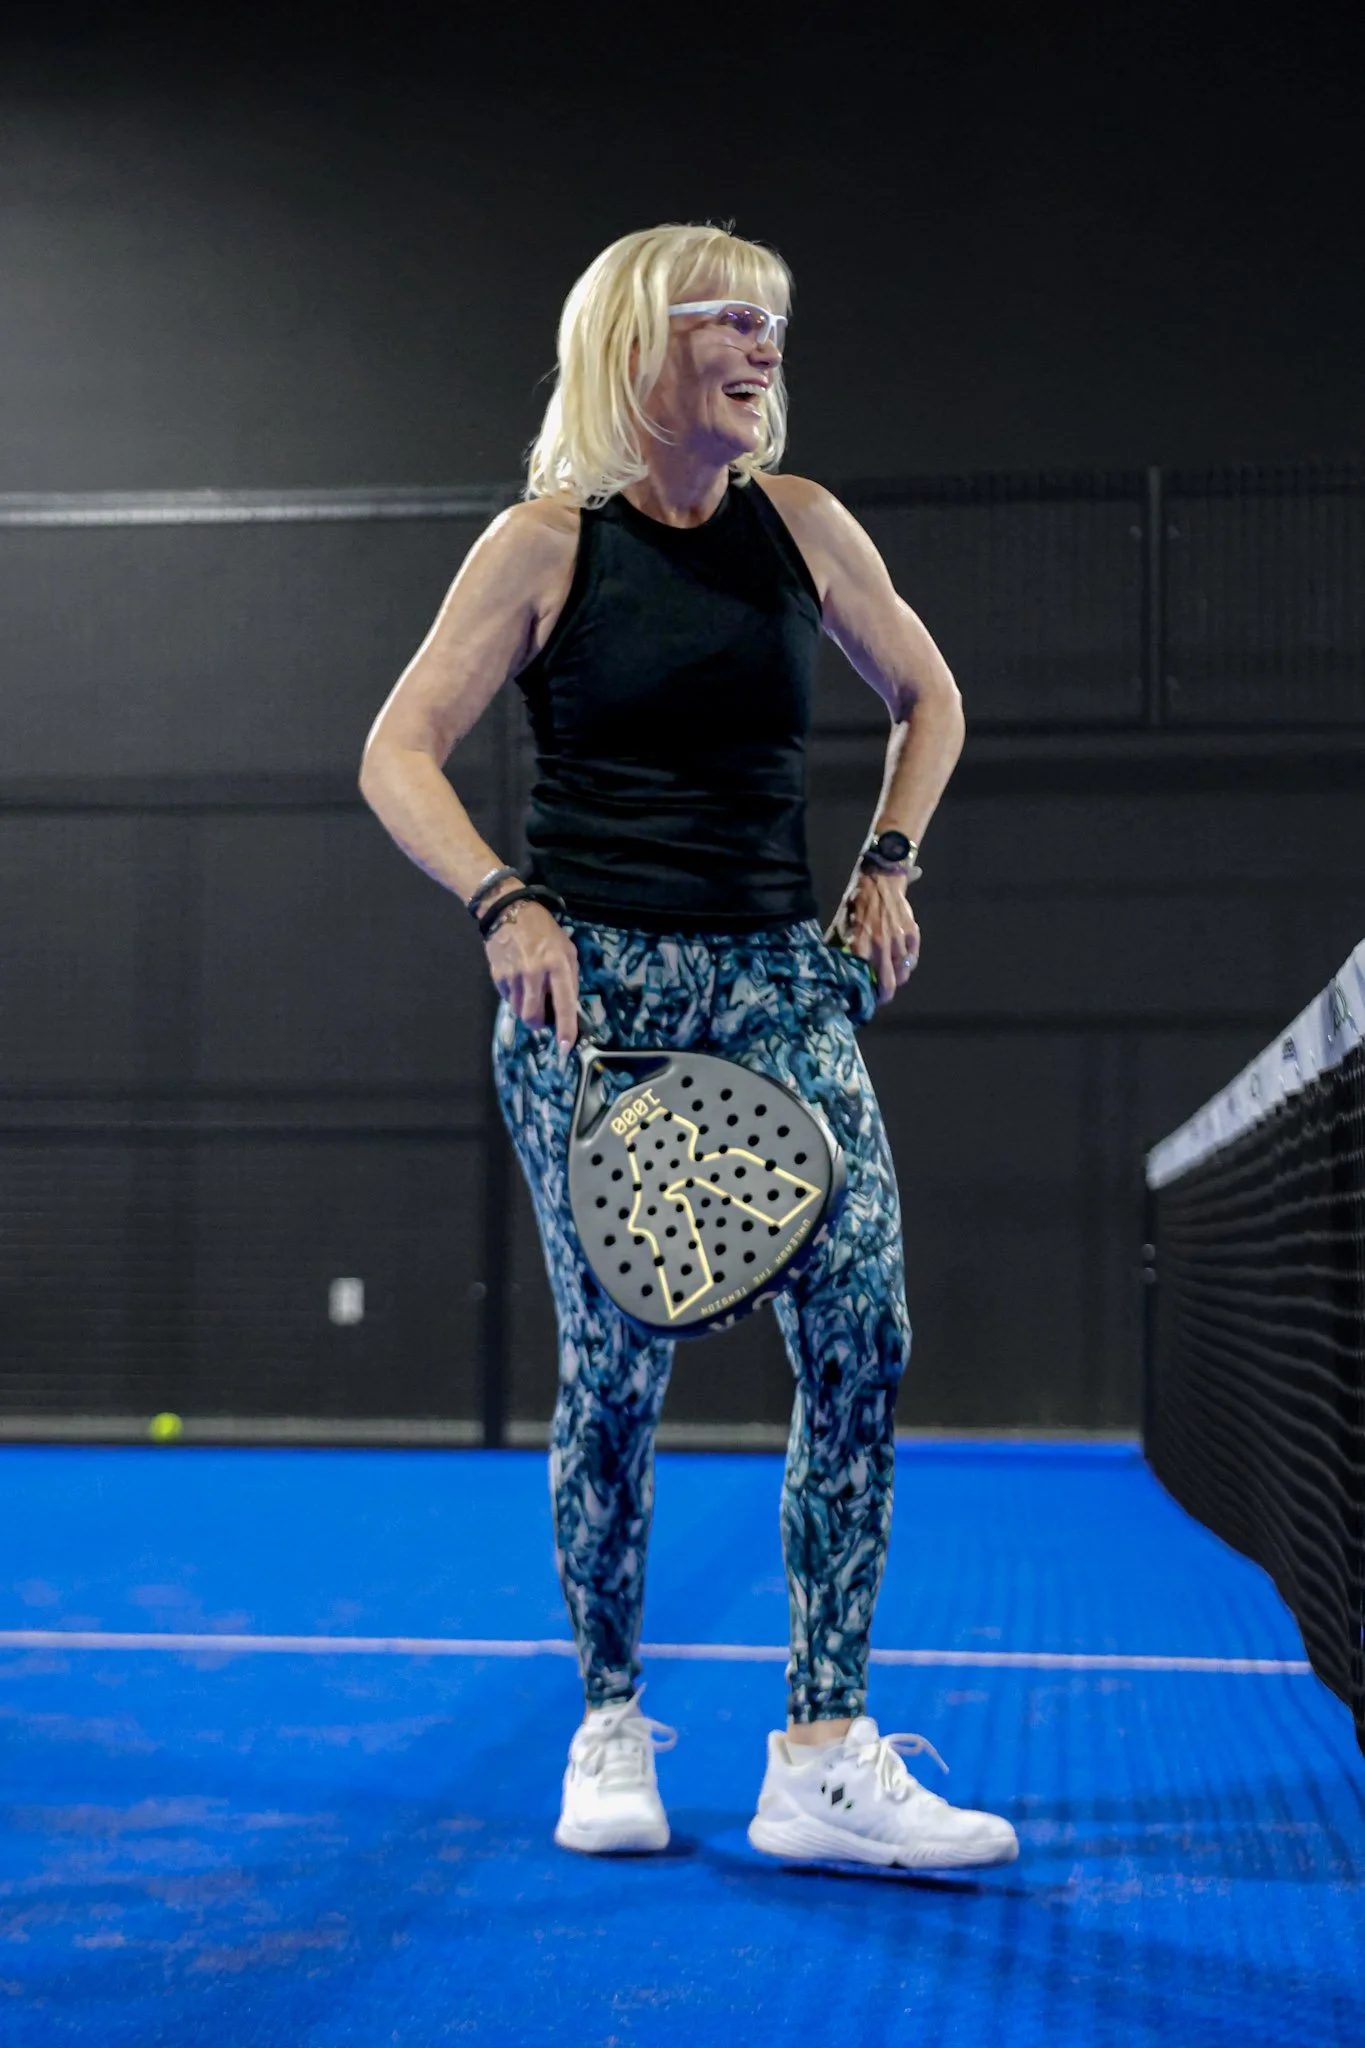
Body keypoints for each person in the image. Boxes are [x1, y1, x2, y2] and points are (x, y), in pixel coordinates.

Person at [359, 223, 1017, 1871]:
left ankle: (820, 1752)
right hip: (598, 1007)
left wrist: (886, 861)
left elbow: (928, 696)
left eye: (773, 319)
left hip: (783, 984)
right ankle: (605, 1721)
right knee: (620, 1367)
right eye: (725, 317)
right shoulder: (541, 545)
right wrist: (506, 904)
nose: (761, 342)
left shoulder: (803, 526)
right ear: (638, 346)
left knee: (866, 1328)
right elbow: (396, 754)